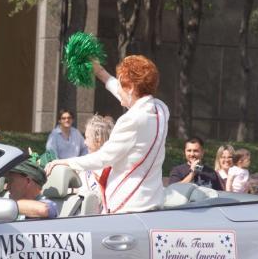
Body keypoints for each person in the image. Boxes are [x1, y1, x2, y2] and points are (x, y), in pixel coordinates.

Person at [45, 55, 170, 214]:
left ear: (131, 87)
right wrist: (100, 72)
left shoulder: (131, 120)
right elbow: (131, 99)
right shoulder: (161, 110)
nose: (118, 89)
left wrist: (66, 162)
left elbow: (103, 158)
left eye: (121, 84)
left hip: (127, 208)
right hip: (152, 206)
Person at [79, 114, 114, 193]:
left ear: (98, 140)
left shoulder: (108, 169)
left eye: (87, 137)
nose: (85, 142)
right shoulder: (87, 161)